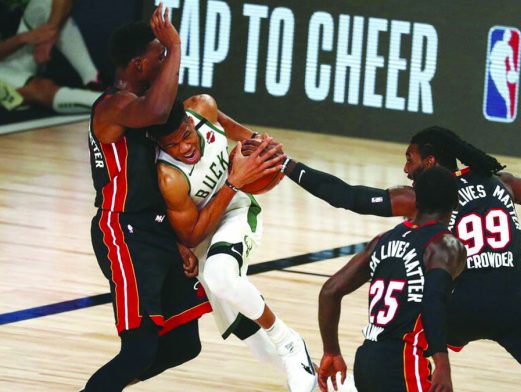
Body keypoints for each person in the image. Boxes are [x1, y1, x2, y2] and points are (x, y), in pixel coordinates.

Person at [248, 126, 521, 391]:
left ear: (431, 162)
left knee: (397, 332)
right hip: (517, 305)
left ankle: (357, 383)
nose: (406, 168)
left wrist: (288, 166)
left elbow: (347, 195)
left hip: (457, 308)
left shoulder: (424, 197)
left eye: (411, 159)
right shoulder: (502, 182)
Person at [82, 6, 246, 391]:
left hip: (156, 229)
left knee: (183, 345)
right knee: (138, 349)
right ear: (139, 64)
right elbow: (156, 108)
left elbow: (183, 114)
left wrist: (175, 238)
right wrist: (175, 45)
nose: (168, 62)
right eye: (160, 57)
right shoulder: (112, 105)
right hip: (122, 229)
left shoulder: (152, 109)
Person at [150, 95, 318, 392]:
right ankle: (340, 385)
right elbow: (191, 236)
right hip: (202, 235)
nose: (185, 148)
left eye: (186, 136)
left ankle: (289, 340)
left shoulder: (203, 108)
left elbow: (223, 123)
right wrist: (234, 180)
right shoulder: (170, 177)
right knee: (261, 348)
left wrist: (255, 141)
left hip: (237, 212)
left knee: (220, 275)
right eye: (172, 146)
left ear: (191, 121)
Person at [317, 166, 466, 392]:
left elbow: (330, 291)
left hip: (367, 360)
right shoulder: (445, 244)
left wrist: (331, 351)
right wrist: (442, 364)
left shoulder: (383, 240)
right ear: (456, 202)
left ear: (417, 200)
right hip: (404, 361)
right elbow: (432, 301)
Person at [0, 0, 102, 112]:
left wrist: (50, 34)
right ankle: (106, 102)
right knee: (40, 90)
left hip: (19, 53)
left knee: (45, 3)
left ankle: (92, 79)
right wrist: (23, 38)